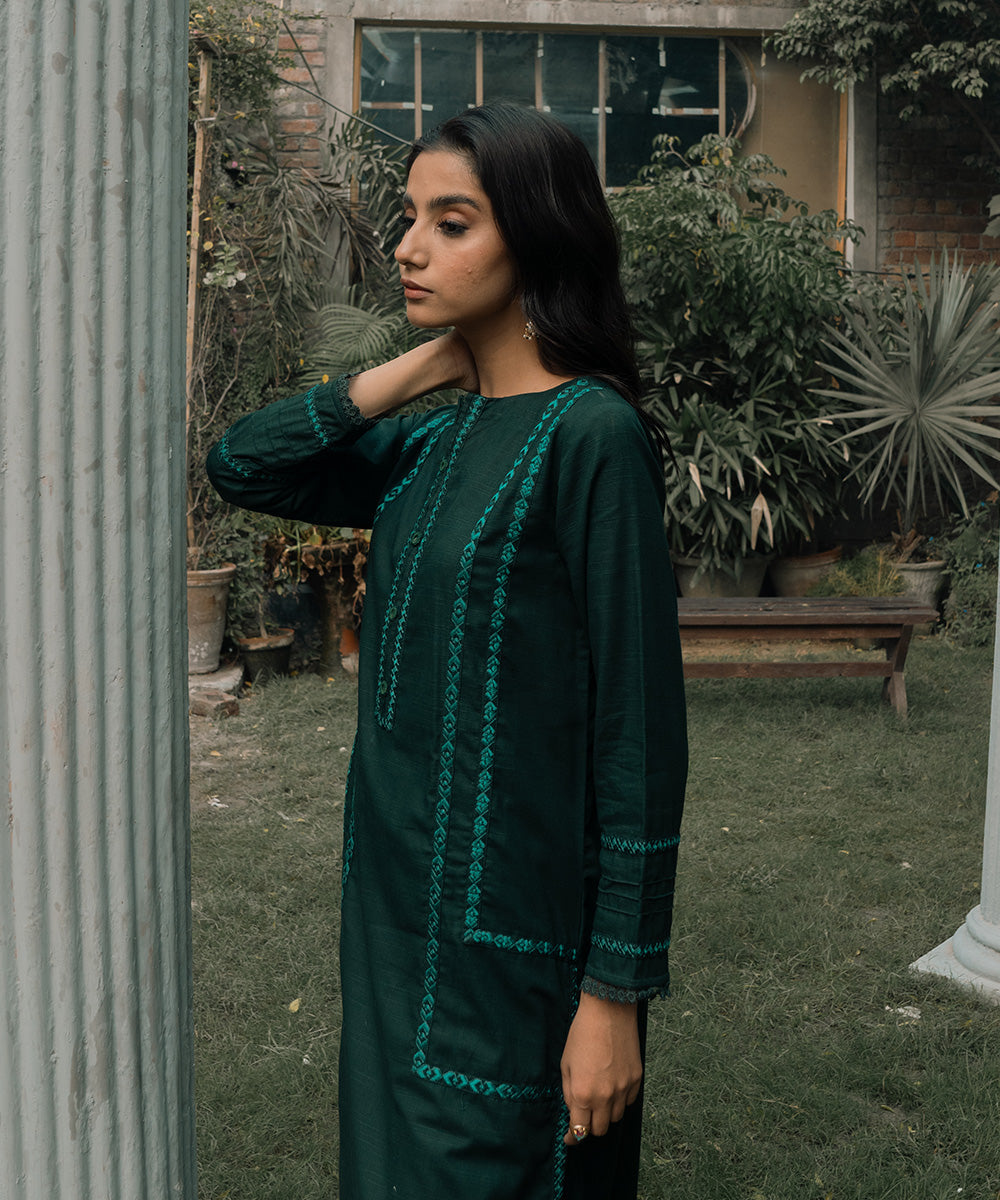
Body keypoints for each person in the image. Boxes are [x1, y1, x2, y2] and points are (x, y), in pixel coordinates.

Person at [207, 101, 687, 1200]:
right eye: (410, 217)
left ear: (537, 237)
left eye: (452, 222)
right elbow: (243, 465)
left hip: (515, 934)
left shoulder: (591, 436)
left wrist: (614, 996)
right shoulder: (433, 432)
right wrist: (420, 370)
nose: (408, 247)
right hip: (391, 908)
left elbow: (640, 738)